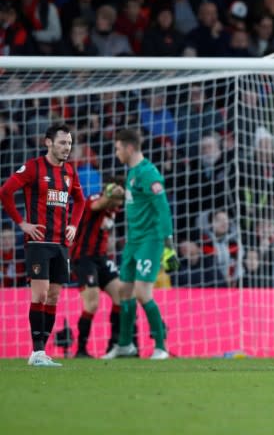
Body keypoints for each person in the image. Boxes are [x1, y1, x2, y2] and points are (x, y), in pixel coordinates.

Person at [0, 124, 86, 366]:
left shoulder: (70, 171)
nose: (66, 148)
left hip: (61, 243)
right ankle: (36, 352)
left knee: (54, 297)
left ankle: (42, 352)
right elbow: (5, 192)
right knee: (40, 294)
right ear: (48, 142)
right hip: (38, 242)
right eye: (62, 143)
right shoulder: (33, 167)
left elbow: (80, 201)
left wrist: (74, 226)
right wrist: (21, 223)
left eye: (69, 143)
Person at [102, 128, 179, 360]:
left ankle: (161, 347)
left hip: (150, 241)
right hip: (133, 242)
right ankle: (125, 345)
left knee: (142, 292)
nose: (116, 153)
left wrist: (168, 244)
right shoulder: (132, 173)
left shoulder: (148, 172)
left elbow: (162, 207)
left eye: (117, 149)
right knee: (124, 291)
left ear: (129, 147)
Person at [70, 181, 126, 358]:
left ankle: (114, 345)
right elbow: (97, 205)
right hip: (83, 258)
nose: (121, 203)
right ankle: (80, 349)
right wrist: (111, 194)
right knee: (92, 304)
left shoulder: (114, 210)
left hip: (102, 259)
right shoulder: (95, 199)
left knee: (121, 296)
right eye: (120, 198)